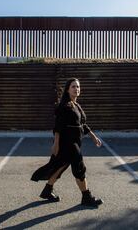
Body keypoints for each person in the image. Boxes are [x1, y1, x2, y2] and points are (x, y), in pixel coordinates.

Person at [31, 77, 104, 207]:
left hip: (75, 141)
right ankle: (86, 197)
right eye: (73, 87)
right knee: (79, 168)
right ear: (67, 90)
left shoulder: (76, 105)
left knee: (60, 166)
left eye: (78, 87)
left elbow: (82, 124)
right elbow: (58, 127)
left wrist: (93, 136)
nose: (76, 89)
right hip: (68, 143)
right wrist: (56, 144)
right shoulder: (64, 106)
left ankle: (47, 190)